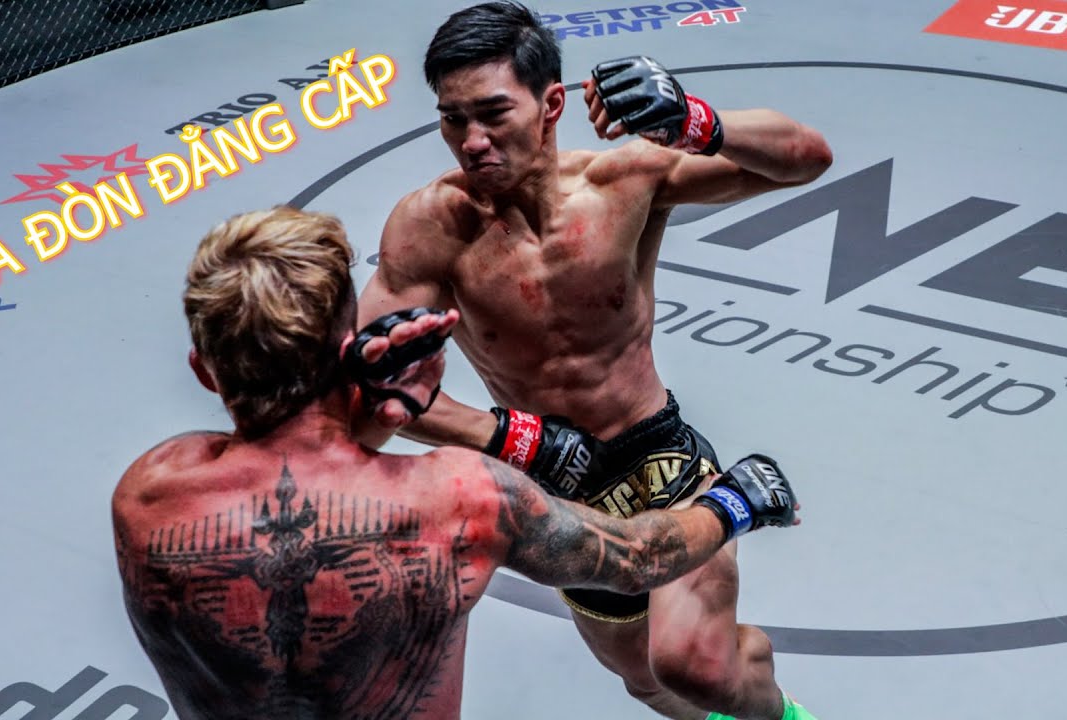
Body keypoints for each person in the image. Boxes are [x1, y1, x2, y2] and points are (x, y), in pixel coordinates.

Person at [111, 204, 802, 720]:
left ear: (203, 371)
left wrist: (370, 406)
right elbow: (635, 560)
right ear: (348, 347)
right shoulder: (458, 499)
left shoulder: (148, 494)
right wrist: (736, 500)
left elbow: (299, 462)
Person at [351, 3, 834, 720]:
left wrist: (696, 120)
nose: (472, 142)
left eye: (493, 114)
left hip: (660, 458)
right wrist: (510, 437)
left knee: (692, 666)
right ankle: (746, 671)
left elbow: (807, 158)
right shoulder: (431, 227)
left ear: (551, 105)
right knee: (645, 679)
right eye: (453, 119)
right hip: (558, 490)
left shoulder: (624, 181)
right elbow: (370, 383)